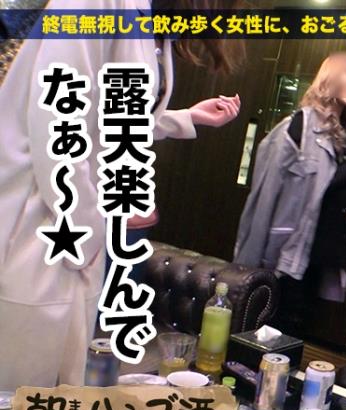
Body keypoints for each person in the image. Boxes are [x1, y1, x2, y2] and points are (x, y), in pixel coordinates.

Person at [0, 0, 244, 390]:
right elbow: (58, 126)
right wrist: (89, 229)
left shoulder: (150, 20)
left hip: (71, 232)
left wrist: (185, 118)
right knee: (21, 398)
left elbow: (113, 120)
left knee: (56, 396)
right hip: (35, 228)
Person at [234, 52, 346, 330]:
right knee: (272, 331)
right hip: (291, 255)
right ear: (330, 78)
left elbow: (334, 193)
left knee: (300, 333)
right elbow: (265, 198)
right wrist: (246, 267)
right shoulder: (298, 127)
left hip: (329, 255)